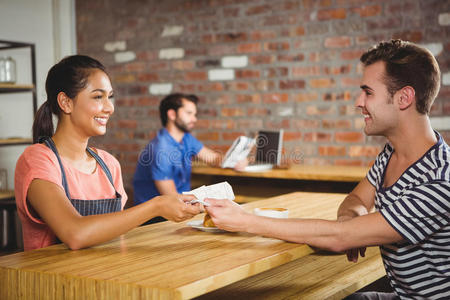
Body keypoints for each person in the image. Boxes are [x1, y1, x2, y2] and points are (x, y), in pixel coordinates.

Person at [205, 40, 449, 299]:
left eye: (368, 92)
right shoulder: (392, 154)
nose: (358, 101)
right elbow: (355, 200)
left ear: (404, 98)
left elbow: (339, 238)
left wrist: (245, 220)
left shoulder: (439, 179)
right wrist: (351, 222)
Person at [14, 55, 202, 251]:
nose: (109, 107)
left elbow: (116, 237)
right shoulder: (38, 160)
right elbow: (74, 234)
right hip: (55, 280)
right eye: (98, 97)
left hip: (107, 279)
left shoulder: (108, 164)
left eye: (109, 97)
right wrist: (157, 206)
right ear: (65, 102)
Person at [133, 93, 247, 209]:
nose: (194, 119)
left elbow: (213, 158)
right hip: (155, 217)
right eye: (189, 113)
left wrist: (234, 161)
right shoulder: (161, 149)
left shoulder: (186, 138)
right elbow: (171, 199)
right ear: (172, 114)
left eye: (194, 114)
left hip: (180, 204)